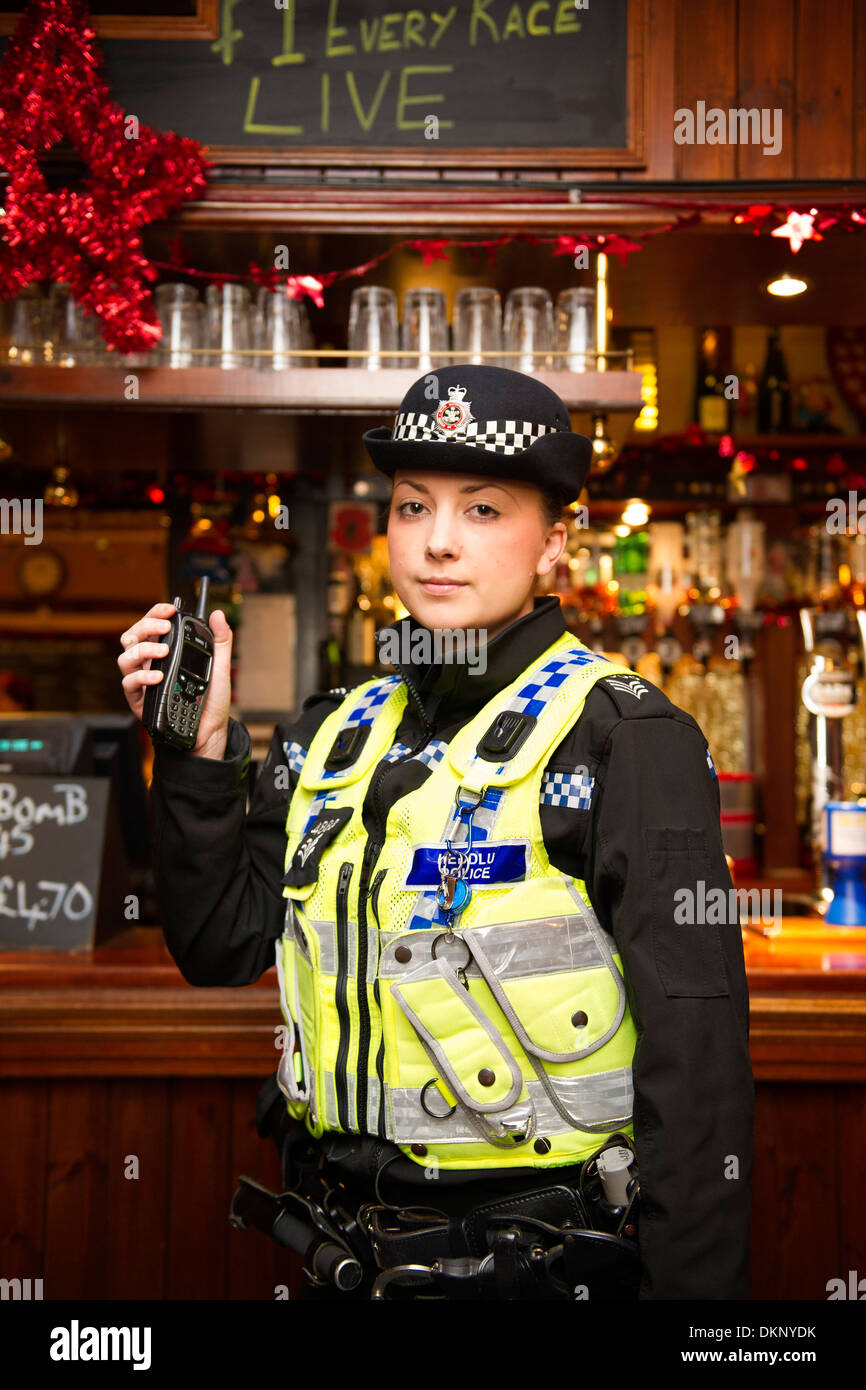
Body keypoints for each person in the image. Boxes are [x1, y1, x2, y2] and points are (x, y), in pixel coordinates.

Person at [118, 365, 754, 1301]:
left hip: (540, 1267)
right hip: (338, 1257)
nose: (440, 543)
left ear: (555, 544)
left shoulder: (627, 736)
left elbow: (696, 1074)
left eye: (485, 510)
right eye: (413, 507)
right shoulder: (329, 731)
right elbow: (219, 945)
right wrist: (200, 752)